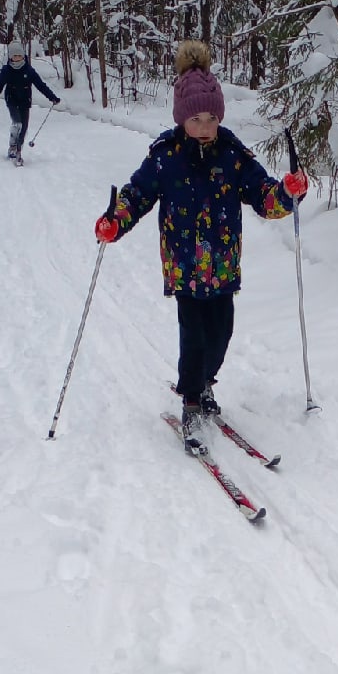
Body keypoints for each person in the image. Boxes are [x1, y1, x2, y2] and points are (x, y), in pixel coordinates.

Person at [94, 40, 308, 452]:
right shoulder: (166, 157)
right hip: (185, 268)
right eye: (196, 119)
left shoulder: (233, 155)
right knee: (193, 336)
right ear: (182, 119)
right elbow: (137, 195)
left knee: (221, 333)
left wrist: (287, 193)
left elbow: (263, 195)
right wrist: (114, 222)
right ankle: (192, 398)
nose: (205, 125)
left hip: (224, 268)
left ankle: (206, 382)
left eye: (211, 117)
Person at [0, 40, 59, 162]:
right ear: (11, 57)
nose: (17, 58)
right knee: (17, 123)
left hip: (25, 101)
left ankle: (18, 150)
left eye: (19, 55)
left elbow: (40, 85)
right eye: (14, 56)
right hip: (11, 99)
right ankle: (12, 146)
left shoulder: (29, 70)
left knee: (24, 127)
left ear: (23, 55)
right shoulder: (7, 70)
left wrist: (52, 97)